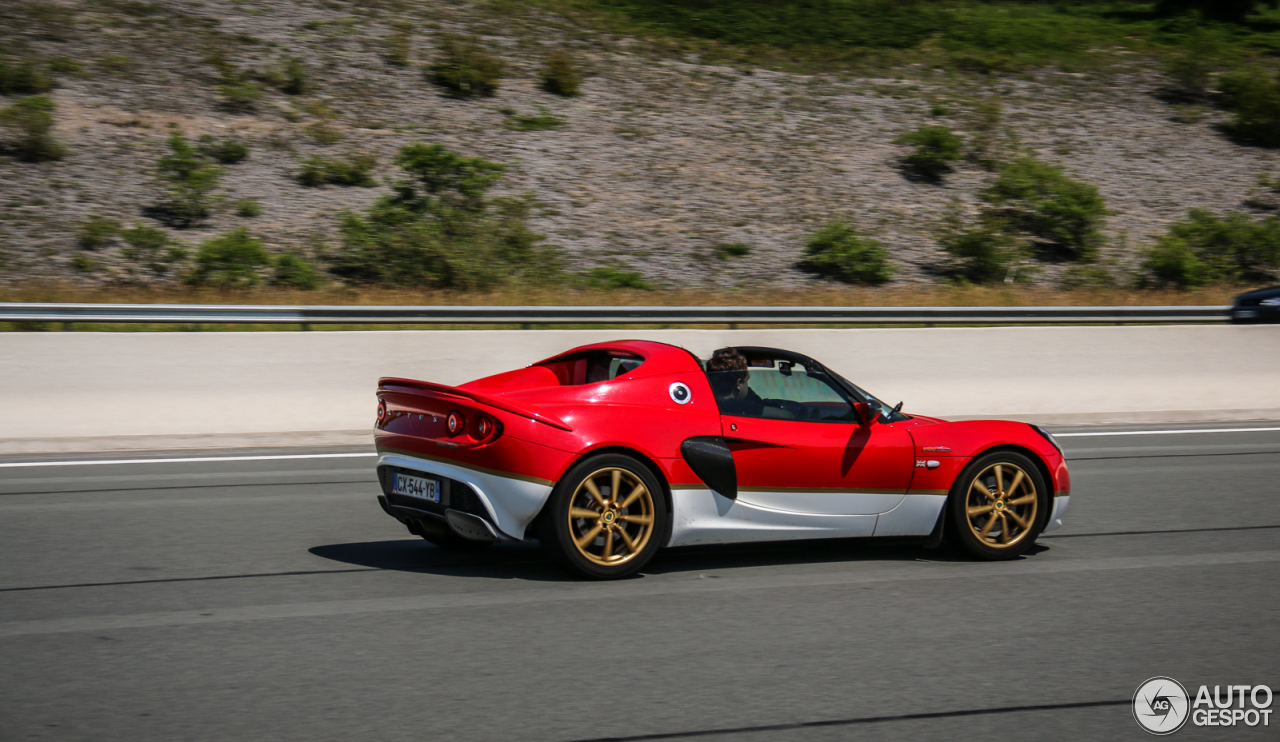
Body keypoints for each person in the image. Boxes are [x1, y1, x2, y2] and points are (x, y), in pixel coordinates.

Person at [705, 347, 764, 417]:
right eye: (746, 380)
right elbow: (773, 413)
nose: (747, 386)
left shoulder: (707, 404)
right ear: (738, 383)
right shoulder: (740, 407)